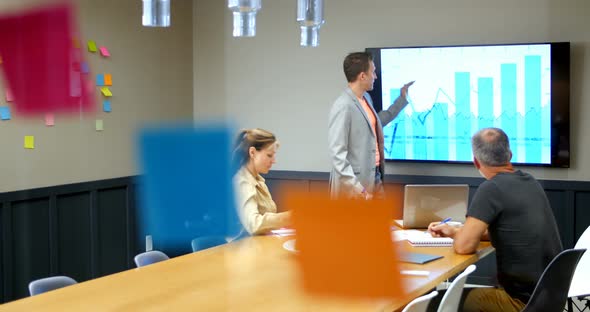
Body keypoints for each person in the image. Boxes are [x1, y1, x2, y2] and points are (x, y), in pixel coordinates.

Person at [426, 127, 562, 312]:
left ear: (476, 162)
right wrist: (456, 231)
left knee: (435, 301)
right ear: (510, 154)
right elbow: (510, 233)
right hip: (549, 298)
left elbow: (463, 247)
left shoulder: (491, 189)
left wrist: (461, 236)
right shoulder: (530, 182)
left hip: (520, 304)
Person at [328, 51, 413, 199]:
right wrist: (358, 189)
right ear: (362, 76)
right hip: (355, 186)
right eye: (373, 72)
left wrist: (401, 99)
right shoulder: (343, 105)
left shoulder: (365, 98)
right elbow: (337, 155)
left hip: (375, 177)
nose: (375, 77)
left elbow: (378, 122)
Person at [233, 128, 291, 235]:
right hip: (241, 248)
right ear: (252, 152)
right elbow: (254, 224)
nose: (274, 161)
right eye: (269, 155)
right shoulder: (241, 182)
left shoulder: (259, 181)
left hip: (258, 246)